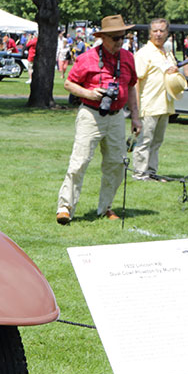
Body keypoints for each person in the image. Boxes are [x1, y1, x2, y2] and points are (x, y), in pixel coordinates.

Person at [55, 14, 142, 225]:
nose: (119, 42)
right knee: (80, 161)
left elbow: (131, 87)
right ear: (102, 37)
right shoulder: (87, 58)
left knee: (116, 164)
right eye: (115, 38)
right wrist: (89, 94)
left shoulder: (128, 58)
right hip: (91, 115)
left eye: (122, 37)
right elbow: (68, 84)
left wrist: (136, 117)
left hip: (117, 116)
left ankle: (105, 207)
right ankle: (65, 208)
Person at [132, 18, 183, 182]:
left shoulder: (167, 53)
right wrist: (136, 109)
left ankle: (151, 172)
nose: (158, 34)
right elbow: (135, 81)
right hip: (148, 104)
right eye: (155, 31)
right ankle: (139, 174)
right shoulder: (144, 53)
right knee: (145, 141)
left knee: (157, 141)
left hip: (165, 104)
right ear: (150, 33)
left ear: (167, 33)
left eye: (162, 31)